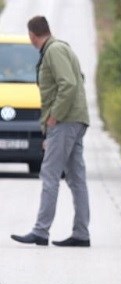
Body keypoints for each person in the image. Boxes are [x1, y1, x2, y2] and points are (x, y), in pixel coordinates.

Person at [10, 16, 90, 247]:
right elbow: (78, 79)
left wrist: (54, 116)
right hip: (75, 119)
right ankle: (81, 233)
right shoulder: (62, 48)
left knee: (49, 175)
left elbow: (69, 84)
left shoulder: (53, 51)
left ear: (33, 35)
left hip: (64, 121)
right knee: (76, 178)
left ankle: (41, 231)